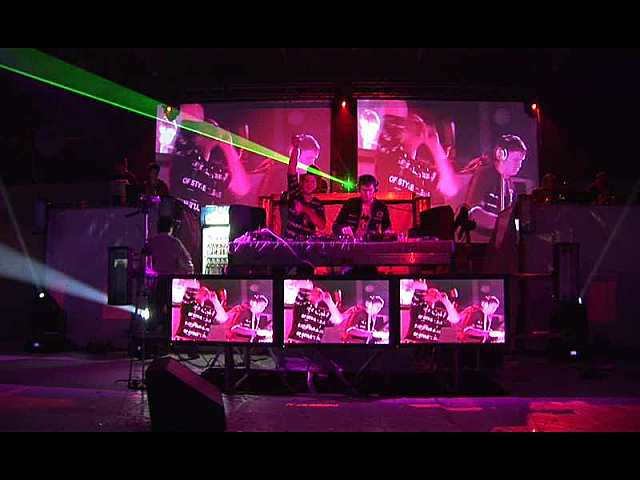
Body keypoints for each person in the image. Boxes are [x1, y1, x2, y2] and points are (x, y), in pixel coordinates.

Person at [170, 104, 250, 213]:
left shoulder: (216, 170)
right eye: (207, 128)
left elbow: (241, 190)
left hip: (208, 221)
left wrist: (228, 146)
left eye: (214, 130)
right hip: (183, 219)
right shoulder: (184, 157)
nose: (212, 133)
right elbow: (191, 110)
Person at [375, 112, 459, 202]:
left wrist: (435, 144)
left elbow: (451, 190)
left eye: (420, 123)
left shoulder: (425, 171)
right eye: (414, 121)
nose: (420, 125)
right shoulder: (388, 157)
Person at [466, 134, 528, 240]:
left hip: (498, 242)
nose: (519, 165)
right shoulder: (484, 175)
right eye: (516, 160)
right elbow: (474, 213)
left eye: (521, 161)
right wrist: (503, 224)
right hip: (480, 241)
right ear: (501, 154)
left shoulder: (510, 186)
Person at [283, 135, 327, 240]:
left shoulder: (318, 204)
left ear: (317, 184)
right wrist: (295, 148)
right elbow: (291, 170)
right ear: (302, 182)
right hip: (290, 242)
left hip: (307, 245)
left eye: (312, 182)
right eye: (307, 181)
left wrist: (305, 209)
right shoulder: (295, 193)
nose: (309, 184)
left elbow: (321, 225)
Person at [333, 174, 391, 240]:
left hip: (371, 242)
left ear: (375, 190)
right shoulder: (350, 203)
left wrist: (387, 233)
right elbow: (335, 226)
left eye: (370, 190)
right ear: (359, 190)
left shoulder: (381, 207)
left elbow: (387, 228)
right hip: (351, 242)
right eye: (364, 190)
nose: (367, 194)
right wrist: (343, 229)